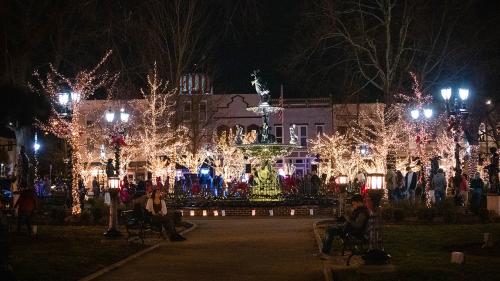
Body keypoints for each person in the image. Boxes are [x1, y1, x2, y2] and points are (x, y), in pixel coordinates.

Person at [318, 194, 370, 259]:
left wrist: (348, 219)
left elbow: (357, 225)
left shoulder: (362, 212)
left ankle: (325, 253)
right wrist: (341, 218)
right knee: (330, 229)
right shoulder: (358, 210)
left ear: (359, 202)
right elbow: (351, 220)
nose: (353, 206)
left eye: (354, 204)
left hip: (354, 233)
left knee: (330, 231)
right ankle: (325, 252)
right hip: (348, 231)